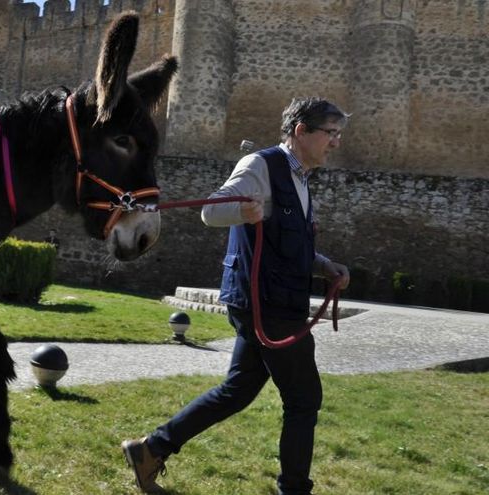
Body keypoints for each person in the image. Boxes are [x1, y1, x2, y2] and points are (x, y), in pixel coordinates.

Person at [121, 97, 352, 495]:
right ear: (301, 131)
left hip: (269, 299)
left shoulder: (299, 178)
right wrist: (241, 213)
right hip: (268, 304)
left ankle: (150, 449)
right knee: (303, 400)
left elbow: (288, 243)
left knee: (238, 390)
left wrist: (325, 265)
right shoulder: (261, 165)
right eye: (330, 134)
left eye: (338, 135)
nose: (335, 143)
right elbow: (211, 211)